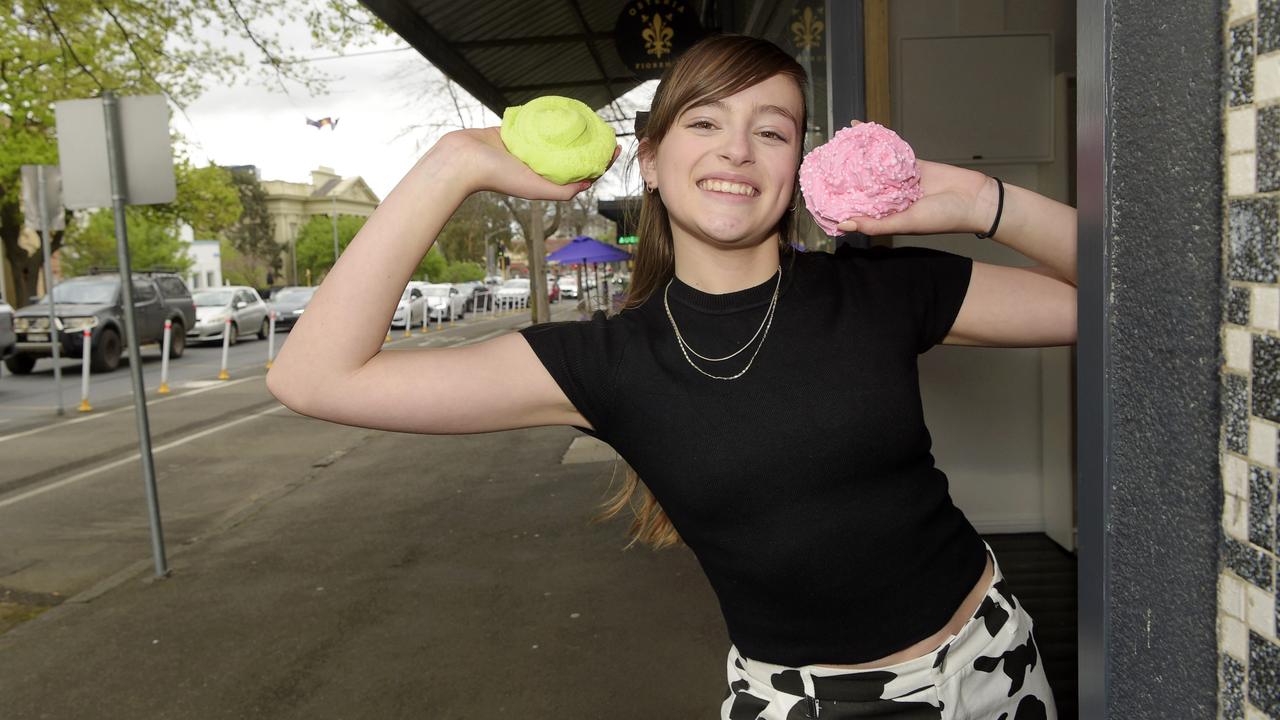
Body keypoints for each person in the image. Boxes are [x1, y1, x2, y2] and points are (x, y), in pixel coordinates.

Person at [267, 34, 1075, 720]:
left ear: (798, 166)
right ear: (650, 161)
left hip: (995, 659)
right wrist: (451, 165)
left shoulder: (879, 291)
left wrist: (978, 199)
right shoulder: (604, 363)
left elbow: (1132, 302)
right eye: (705, 121)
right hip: (809, 704)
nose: (737, 149)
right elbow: (315, 377)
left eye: (773, 131)